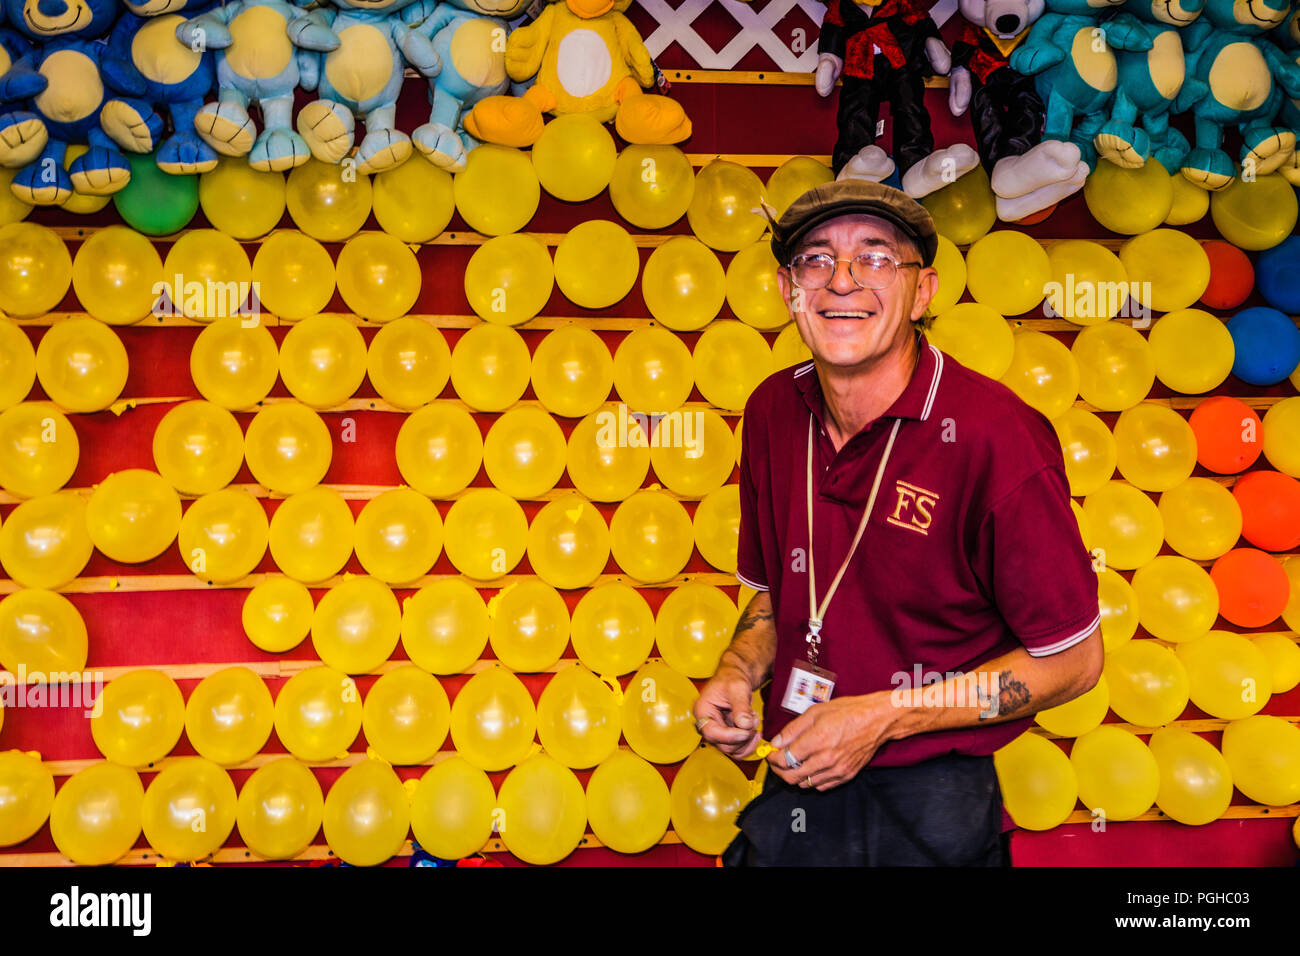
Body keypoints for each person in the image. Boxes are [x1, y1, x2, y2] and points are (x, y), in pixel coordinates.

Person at [693, 178, 1104, 867]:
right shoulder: (770, 411)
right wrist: (737, 670)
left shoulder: (996, 436)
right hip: (797, 772)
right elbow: (777, 598)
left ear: (923, 292)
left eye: (877, 257)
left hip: (935, 801)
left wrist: (883, 716)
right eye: (816, 260)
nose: (842, 280)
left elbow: (1075, 660)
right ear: (786, 291)